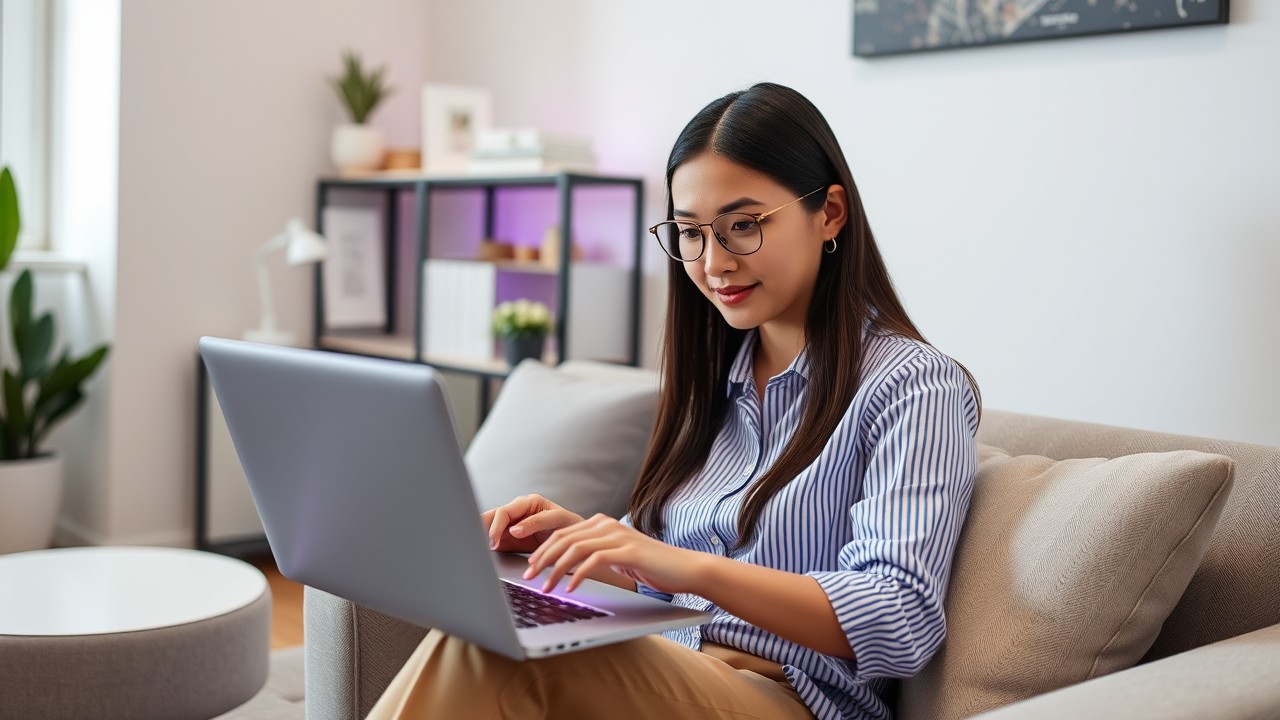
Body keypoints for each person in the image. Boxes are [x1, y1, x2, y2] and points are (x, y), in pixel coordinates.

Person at [366, 82, 980, 720]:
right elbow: (654, 564)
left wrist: (688, 568)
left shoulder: (912, 384)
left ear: (828, 213)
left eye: (743, 226)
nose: (713, 262)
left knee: (497, 649)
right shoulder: (716, 378)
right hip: (664, 666)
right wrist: (579, 540)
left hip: (788, 700)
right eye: (690, 232)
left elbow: (899, 618)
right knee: (495, 622)